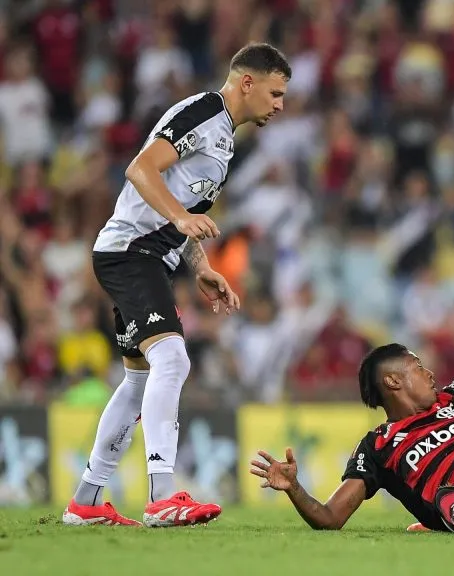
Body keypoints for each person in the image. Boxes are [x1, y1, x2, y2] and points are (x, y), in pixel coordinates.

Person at [62, 43, 291, 528]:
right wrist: (180, 217)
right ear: (246, 82)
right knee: (173, 358)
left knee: (140, 378)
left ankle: (85, 501)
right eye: (275, 93)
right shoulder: (203, 112)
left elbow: (188, 215)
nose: (280, 105)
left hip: (151, 257)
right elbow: (140, 169)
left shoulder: (226, 139)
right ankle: (162, 495)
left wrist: (201, 265)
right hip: (130, 253)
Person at [250, 224, 454, 537]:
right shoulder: (377, 446)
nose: (429, 373)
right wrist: (295, 488)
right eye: (417, 367)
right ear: (392, 381)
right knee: (448, 496)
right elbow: (331, 518)